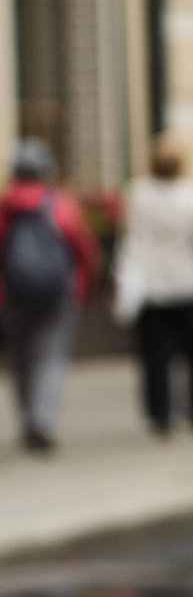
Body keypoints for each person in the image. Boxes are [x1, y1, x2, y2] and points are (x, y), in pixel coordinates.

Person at [113, 133, 193, 434]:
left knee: (155, 355)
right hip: (190, 283)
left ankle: (160, 415)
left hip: (151, 286)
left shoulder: (135, 192)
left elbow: (123, 230)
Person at [1, 138, 98, 453]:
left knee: (22, 360)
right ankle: (43, 422)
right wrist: (81, 285)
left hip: (12, 295)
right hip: (58, 294)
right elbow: (83, 248)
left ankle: (29, 420)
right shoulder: (59, 203)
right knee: (51, 358)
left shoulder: (5, 206)